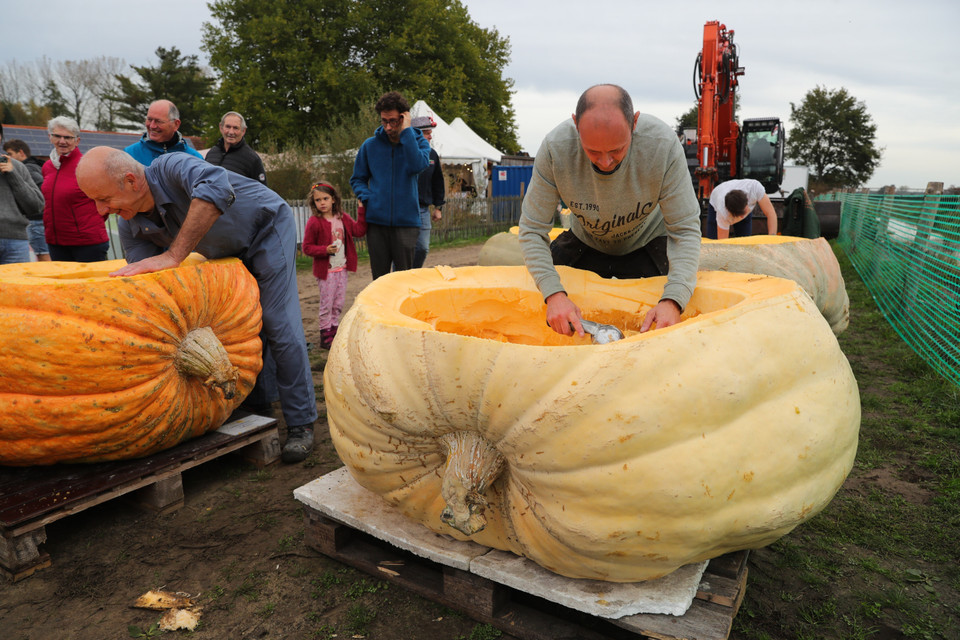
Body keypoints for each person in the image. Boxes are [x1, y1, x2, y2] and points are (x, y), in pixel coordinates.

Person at [76, 147, 318, 464]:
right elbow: (152, 288)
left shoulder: (173, 166)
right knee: (242, 327)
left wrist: (173, 255)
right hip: (226, 251)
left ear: (132, 181)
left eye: (103, 199)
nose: (100, 211)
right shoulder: (130, 224)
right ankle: (260, 402)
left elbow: (217, 186)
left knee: (279, 322)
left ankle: (301, 422)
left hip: (266, 228)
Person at [518, 84, 701, 336]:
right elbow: (532, 229)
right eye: (593, 151)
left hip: (649, 242)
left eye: (617, 150)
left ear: (634, 123)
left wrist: (673, 300)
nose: (605, 162)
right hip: (585, 242)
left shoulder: (663, 146)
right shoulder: (555, 149)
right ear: (575, 124)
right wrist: (553, 294)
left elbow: (685, 229)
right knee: (539, 304)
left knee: (678, 306)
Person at [350, 91, 430, 279]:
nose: (387, 127)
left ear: (404, 117)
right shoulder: (369, 146)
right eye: (384, 121)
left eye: (393, 121)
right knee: (379, 281)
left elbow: (417, 166)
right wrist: (368, 198)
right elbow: (357, 179)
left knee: (403, 280)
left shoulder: (419, 143)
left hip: (407, 224)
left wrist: (407, 133)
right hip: (376, 224)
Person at [301, 182, 367, 349]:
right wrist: (324, 250)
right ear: (314, 203)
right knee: (327, 304)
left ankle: (334, 331)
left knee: (338, 303)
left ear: (333, 199)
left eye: (325, 198)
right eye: (318, 200)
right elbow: (306, 247)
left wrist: (362, 209)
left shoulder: (342, 218)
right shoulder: (314, 222)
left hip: (341, 269)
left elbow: (359, 230)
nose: (322, 203)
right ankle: (325, 336)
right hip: (326, 272)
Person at [41, 116, 110, 262]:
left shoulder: (88, 166)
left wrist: (88, 225)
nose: (62, 141)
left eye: (68, 137)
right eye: (57, 136)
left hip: (87, 243)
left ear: (77, 141)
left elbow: (107, 200)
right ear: (50, 137)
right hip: (56, 243)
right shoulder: (47, 167)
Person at [0, 123, 45, 265]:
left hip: (16, 242)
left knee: (19, 281)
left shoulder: (17, 167)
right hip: (16, 243)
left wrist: (13, 174)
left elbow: (36, 206)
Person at [124, 100, 204, 166]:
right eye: (149, 119)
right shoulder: (129, 155)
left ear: (176, 124)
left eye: (158, 121)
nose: (152, 126)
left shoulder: (195, 160)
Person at [411, 116, 445, 268]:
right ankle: (399, 277)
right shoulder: (404, 152)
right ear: (415, 134)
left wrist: (438, 207)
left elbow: (438, 182)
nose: (430, 136)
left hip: (423, 209)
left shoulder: (432, 155)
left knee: (423, 248)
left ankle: (415, 272)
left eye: (430, 133)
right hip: (404, 209)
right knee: (402, 249)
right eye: (426, 133)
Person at [204, 111, 267, 184]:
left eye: (235, 128)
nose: (231, 132)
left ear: (243, 131)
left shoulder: (252, 159)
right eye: (228, 127)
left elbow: (262, 189)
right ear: (221, 128)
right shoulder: (212, 153)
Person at [705, 178, 778, 239]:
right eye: (739, 215)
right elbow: (722, 242)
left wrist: (772, 238)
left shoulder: (755, 188)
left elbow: (770, 213)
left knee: (745, 242)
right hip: (716, 200)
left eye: (743, 212)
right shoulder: (722, 212)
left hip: (740, 207)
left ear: (747, 200)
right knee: (713, 242)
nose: (742, 217)